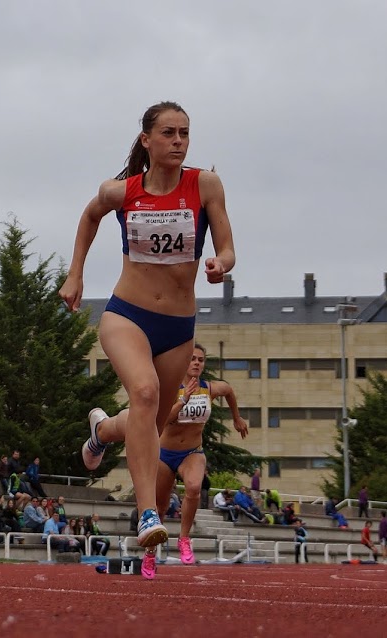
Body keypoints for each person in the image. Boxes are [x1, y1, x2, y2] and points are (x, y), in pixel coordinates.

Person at [62, 100, 236, 579]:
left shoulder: (205, 185)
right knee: (144, 392)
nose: (179, 141)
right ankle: (147, 515)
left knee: (148, 423)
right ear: (147, 140)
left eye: (185, 133)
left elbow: (227, 246)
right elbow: (90, 216)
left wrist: (220, 264)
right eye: (169, 133)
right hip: (127, 314)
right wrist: (75, 274)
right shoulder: (121, 191)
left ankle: (102, 431)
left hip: (178, 327)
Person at [83, 343, 249, 573]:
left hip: (192, 452)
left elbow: (228, 390)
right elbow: (162, 420)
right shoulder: (171, 389)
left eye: (200, 360)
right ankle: (150, 555)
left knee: (194, 487)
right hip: (163, 453)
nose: (196, 363)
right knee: (159, 508)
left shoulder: (209, 389)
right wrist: (183, 400)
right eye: (192, 359)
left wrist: (237, 418)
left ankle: (184, 538)